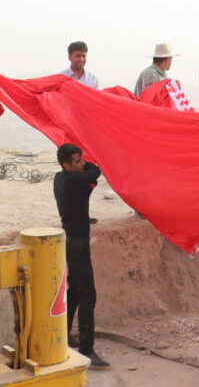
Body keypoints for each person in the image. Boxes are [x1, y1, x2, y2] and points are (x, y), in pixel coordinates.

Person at [54, 143, 111, 370]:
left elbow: (90, 173)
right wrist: (87, 165)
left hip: (68, 239)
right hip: (77, 242)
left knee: (75, 290)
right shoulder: (76, 181)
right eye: (77, 161)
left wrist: (80, 165)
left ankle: (64, 336)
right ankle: (87, 349)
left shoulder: (60, 178)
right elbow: (96, 170)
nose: (81, 164)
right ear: (66, 164)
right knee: (88, 293)